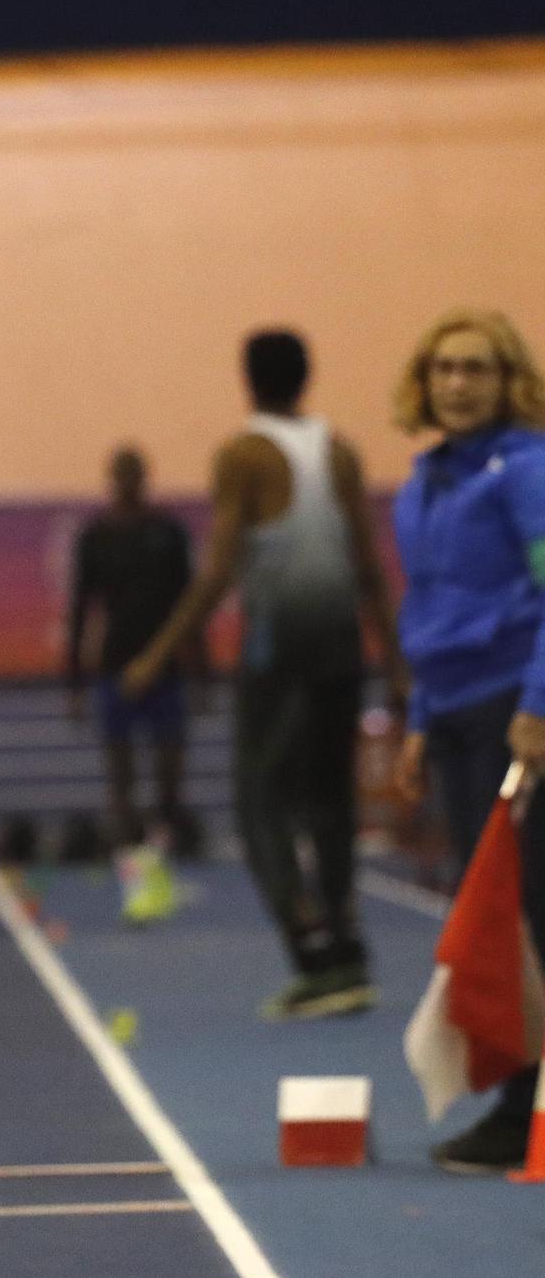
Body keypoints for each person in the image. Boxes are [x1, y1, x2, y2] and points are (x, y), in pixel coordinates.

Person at [121, 330, 407, 1020]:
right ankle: (347, 950)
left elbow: (219, 568)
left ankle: (310, 954)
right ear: (308, 378)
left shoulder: (242, 453)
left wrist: (159, 652)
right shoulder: (338, 450)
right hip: (343, 643)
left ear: (248, 379)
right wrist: (396, 661)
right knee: (331, 800)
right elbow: (368, 564)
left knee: (259, 803)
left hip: (280, 650)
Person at [388, 308, 545, 1174]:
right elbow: (430, 609)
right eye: (444, 367)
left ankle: (525, 1111)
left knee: (520, 920)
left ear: (508, 379)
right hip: (451, 716)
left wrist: (539, 700)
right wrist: (417, 721)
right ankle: (519, 1100)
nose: (457, 382)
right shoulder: (425, 479)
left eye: (477, 368)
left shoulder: (525, 471)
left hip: (513, 713)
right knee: (489, 911)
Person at [66, 446, 202, 923]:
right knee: (121, 784)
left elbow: (191, 606)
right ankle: (134, 881)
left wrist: (200, 671)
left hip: (166, 671)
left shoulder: (168, 533)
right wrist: (75, 682)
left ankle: (159, 865)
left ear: (145, 478)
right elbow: (80, 611)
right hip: (114, 671)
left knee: (168, 782)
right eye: (120, 475)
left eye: (134, 475)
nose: (127, 483)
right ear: (111, 480)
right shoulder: (95, 537)